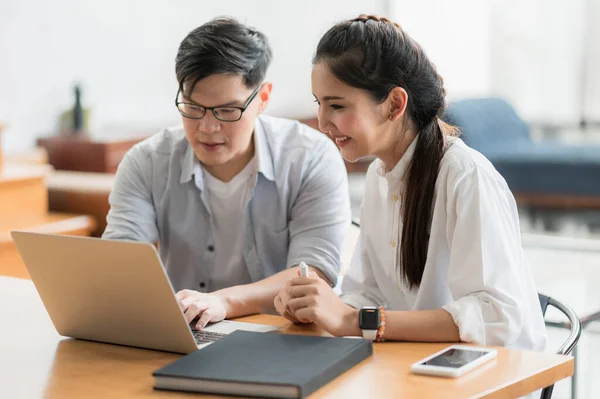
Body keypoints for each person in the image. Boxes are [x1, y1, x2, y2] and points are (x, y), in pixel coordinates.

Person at [274, 14, 546, 350]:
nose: (322, 121)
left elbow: (496, 316)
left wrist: (354, 320)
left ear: (394, 104)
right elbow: (368, 293)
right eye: (320, 104)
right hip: (412, 364)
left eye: (337, 105)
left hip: (489, 375)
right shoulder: (379, 176)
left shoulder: (465, 177)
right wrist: (318, 307)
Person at [103, 17, 350, 330]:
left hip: (283, 335)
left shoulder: (310, 157)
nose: (208, 128)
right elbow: (119, 262)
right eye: (193, 108)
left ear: (262, 98)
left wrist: (223, 301)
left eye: (228, 111)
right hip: (187, 335)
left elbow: (313, 275)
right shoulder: (147, 162)